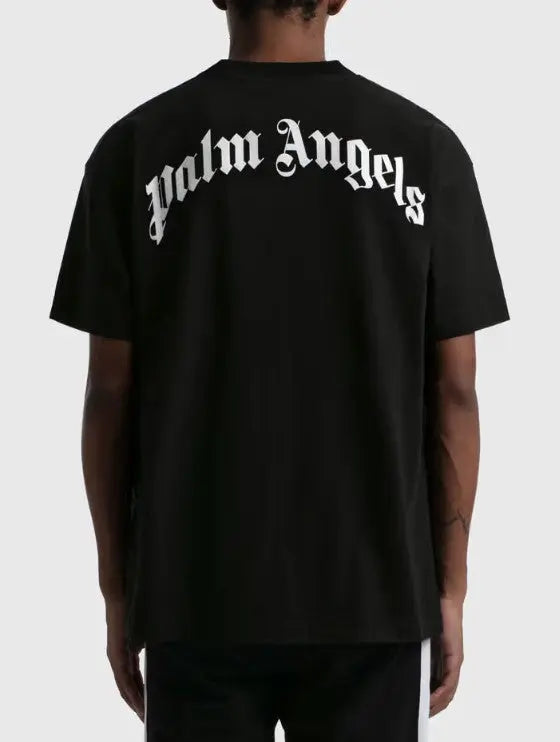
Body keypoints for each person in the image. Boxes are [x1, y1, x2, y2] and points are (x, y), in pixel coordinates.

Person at [50, 1, 509, 740]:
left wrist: (117, 591)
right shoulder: (426, 148)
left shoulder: (135, 148)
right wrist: (450, 588)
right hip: (373, 594)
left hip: (196, 594)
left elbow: (109, 393)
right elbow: (455, 388)